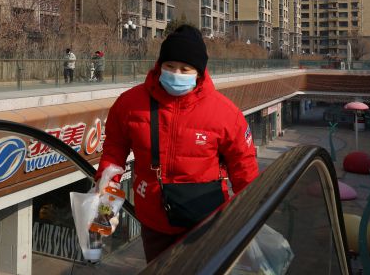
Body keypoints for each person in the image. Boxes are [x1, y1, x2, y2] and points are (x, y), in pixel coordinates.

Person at [96, 24, 259, 263]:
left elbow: (244, 167)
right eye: (170, 67)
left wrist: (252, 217)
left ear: (199, 73)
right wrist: (104, 204)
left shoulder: (225, 113)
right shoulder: (130, 104)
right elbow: (114, 152)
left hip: (206, 222)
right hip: (154, 222)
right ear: (159, 65)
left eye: (185, 69)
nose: (176, 74)